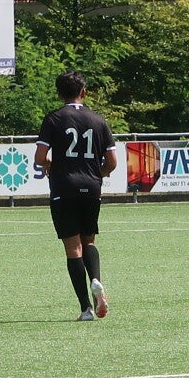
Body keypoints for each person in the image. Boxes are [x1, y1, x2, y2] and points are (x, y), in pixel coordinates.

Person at [34, 70, 118, 321]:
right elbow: (112, 162)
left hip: (64, 188)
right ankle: (96, 280)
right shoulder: (98, 120)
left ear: (60, 94)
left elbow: (40, 158)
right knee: (89, 241)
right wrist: (95, 175)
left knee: (73, 248)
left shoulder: (54, 119)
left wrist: (51, 166)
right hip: (91, 188)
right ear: (84, 92)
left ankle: (86, 309)